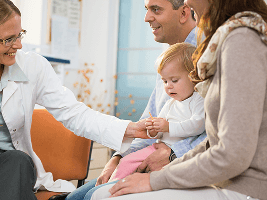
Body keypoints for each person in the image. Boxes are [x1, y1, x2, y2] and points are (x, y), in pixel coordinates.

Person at [0, 0, 149, 200]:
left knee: (17, 160)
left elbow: (73, 113)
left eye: (20, 35)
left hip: (12, 171)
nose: (18, 45)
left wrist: (128, 129)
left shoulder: (33, 66)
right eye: (9, 39)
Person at [90, 0, 267, 199]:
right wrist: (122, 157)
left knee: (103, 196)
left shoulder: (242, 41)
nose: (187, 1)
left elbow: (231, 155)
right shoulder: (235, 38)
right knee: (102, 192)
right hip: (231, 180)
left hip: (251, 188)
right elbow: (213, 142)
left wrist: (156, 179)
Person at [66, 0, 207, 199]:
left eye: (156, 9)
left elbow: (219, 131)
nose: (147, 18)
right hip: (150, 156)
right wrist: (118, 157)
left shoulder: (207, 56)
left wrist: (173, 153)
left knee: (92, 197)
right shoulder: (169, 62)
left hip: (182, 167)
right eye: (146, 10)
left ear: (184, 12)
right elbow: (148, 123)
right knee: (75, 198)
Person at [108, 42, 204, 182]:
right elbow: (159, 131)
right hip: (157, 148)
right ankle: (112, 186)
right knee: (127, 162)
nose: (168, 86)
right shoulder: (170, 103)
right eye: (164, 81)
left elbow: (198, 125)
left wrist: (168, 127)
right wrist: (153, 130)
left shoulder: (199, 100)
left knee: (154, 177)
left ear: (194, 76)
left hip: (177, 157)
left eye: (174, 80)